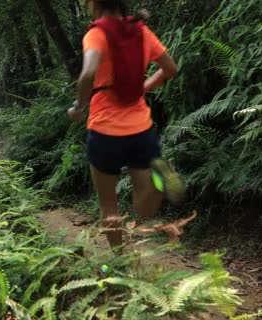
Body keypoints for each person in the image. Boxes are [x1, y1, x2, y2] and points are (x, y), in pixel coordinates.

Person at [68, 0, 189, 253]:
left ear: (93, 4)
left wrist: (79, 107)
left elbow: (88, 73)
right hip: (142, 131)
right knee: (144, 206)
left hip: (105, 133)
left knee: (108, 207)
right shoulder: (141, 32)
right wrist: (143, 88)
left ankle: (118, 261)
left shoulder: (96, 34)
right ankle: (160, 179)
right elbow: (170, 69)